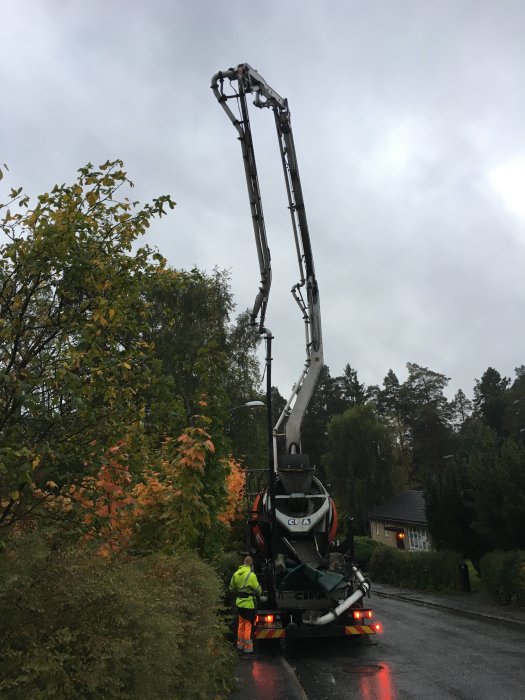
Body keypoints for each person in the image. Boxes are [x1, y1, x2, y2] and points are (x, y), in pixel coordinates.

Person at [229, 555, 262, 657]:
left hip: (239, 603)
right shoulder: (251, 575)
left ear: (243, 562)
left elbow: (231, 588)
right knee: (248, 626)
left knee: (241, 625)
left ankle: (240, 648)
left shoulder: (236, 574)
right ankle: (248, 650)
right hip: (248, 604)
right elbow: (257, 589)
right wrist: (260, 593)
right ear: (251, 564)